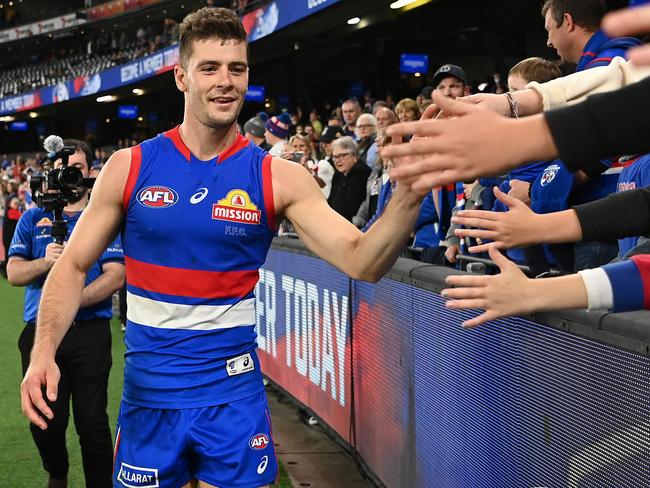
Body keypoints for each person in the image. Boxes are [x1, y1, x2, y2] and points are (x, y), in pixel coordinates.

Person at [20, 8, 423, 488]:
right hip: (150, 399)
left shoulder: (277, 177)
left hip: (233, 401)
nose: (225, 81)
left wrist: (411, 194)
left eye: (237, 68)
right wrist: (44, 351)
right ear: (182, 78)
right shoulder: (130, 167)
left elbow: (363, 259)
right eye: (209, 68)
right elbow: (72, 266)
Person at [7, 139, 125, 488]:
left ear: (90, 171)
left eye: (75, 168)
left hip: (90, 333)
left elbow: (116, 275)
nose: (67, 175)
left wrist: (71, 300)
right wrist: (45, 262)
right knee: (46, 422)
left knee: (92, 423)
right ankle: (56, 472)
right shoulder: (33, 218)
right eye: (60, 170)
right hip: (42, 334)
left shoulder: (104, 217)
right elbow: (13, 272)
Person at [327, 136, 372, 222]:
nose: (337, 160)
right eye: (335, 157)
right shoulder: (338, 175)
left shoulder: (361, 173)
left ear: (354, 156)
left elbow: (349, 209)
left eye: (342, 155)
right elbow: (331, 203)